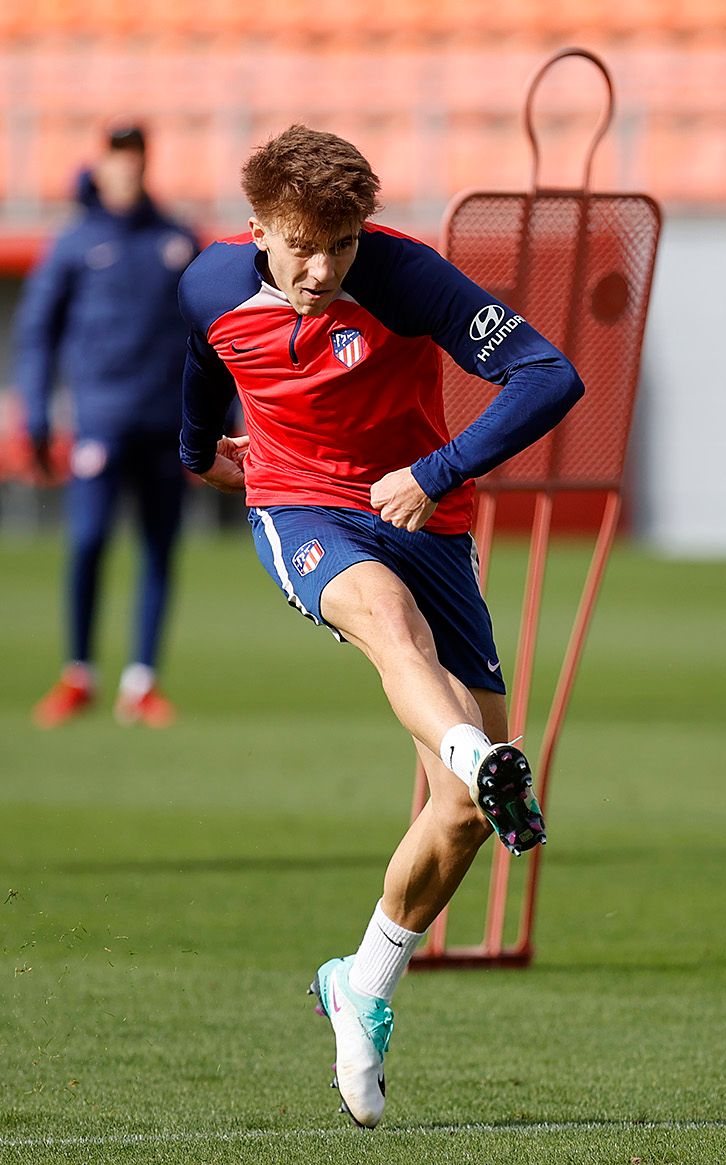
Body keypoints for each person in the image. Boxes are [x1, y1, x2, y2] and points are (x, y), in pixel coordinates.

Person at [177, 125, 584, 1128]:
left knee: (458, 813)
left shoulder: (401, 274)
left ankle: (361, 981)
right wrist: (200, 452)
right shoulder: (207, 283)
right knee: (387, 625)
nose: (322, 269)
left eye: (341, 245)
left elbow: (548, 374)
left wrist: (438, 472)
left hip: (424, 515)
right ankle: (474, 752)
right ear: (261, 227)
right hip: (301, 507)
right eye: (301, 244)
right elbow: (196, 363)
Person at [15, 124, 198, 729]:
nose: (128, 174)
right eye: (118, 164)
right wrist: (37, 418)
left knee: (158, 550)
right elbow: (37, 334)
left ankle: (141, 682)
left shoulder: (176, 240)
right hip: (99, 422)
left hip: (165, 424)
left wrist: (218, 423)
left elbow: (213, 340)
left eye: (136, 163)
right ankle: (79, 673)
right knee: (89, 542)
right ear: (102, 167)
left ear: (146, 166)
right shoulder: (73, 244)